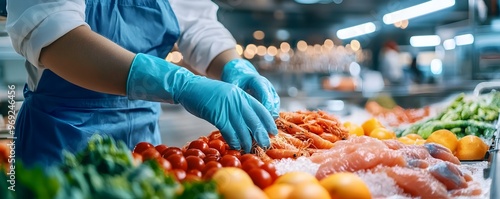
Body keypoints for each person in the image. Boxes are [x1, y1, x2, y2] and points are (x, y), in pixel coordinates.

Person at [6, 0, 280, 167]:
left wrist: (234, 65)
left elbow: (198, 23)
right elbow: (56, 36)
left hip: (146, 148)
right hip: (60, 142)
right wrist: (179, 82)